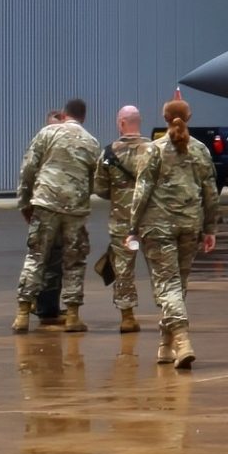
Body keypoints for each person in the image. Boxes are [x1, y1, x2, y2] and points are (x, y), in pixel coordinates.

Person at [125, 99, 219, 369]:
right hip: (190, 225)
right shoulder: (200, 150)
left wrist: (132, 227)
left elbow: (141, 191)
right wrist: (210, 227)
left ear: (164, 118)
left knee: (168, 286)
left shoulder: (153, 149)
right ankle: (165, 347)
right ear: (189, 117)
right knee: (178, 286)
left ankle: (182, 341)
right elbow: (210, 192)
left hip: (158, 227)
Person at [11, 99, 102, 334]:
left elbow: (28, 168)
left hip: (46, 203)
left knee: (36, 257)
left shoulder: (47, 133)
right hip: (75, 209)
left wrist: (24, 203)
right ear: (83, 117)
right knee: (74, 261)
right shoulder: (92, 142)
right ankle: (72, 316)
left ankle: (22, 315)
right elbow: (96, 181)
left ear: (64, 114)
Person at [91, 105, 148, 332]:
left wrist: (119, 194)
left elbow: (100, 188)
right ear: (138, 121)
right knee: (161, 268)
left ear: (121, 123)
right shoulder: (154, 150)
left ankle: (127, 316)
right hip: (151, 221)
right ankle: (169, 312)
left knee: (124, 268)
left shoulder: (108, 154)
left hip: (123, 222)